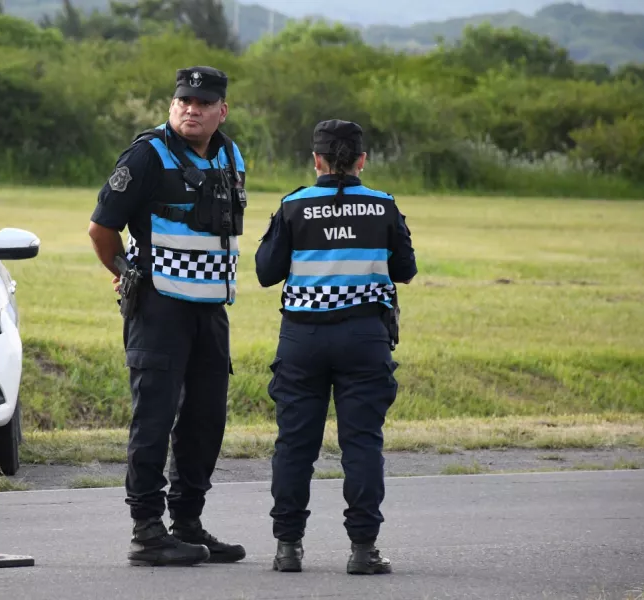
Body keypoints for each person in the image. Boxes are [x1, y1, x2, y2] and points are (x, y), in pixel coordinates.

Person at [87, 66, 249, 567]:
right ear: (172, 104)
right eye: (183, 101)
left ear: (221, 109)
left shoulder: (230, 153)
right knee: (154, 420)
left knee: (205, 420)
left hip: (209, 310)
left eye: (202, 103)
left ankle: (189, 525)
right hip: (158, 308)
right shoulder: (146, 155)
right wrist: (124, 270)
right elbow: (101, 229)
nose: (191, 110)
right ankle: (148, 532)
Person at [254, 119, 418, 574]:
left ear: (317, 161)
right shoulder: (384, 206)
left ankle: (288, 547)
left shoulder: (293, 205)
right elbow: (405, 269)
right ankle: (363, 550)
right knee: (362, 444)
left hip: (302, 338)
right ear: (363, 161)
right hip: (365, 337)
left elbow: (266, 272)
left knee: (294, 445)